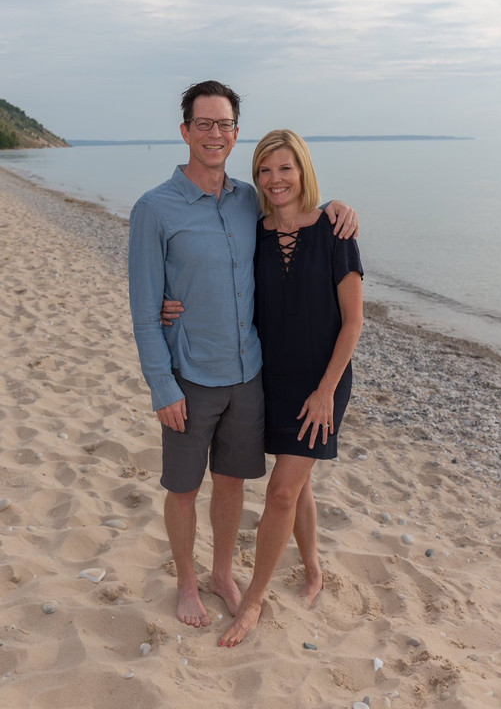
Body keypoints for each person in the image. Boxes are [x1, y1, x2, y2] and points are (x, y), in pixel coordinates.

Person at [128, 80, 359, 630]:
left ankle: (224, 574)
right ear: (185, 131)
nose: (214, 134)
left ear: (235, 133)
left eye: (224, 124)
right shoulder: (153, 209)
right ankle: (188, 582)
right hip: (191, 378)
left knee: (238, 484)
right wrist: (162, 385)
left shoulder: (247, 203)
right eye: (203, 124)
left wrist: (339, 207)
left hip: (251, 376)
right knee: (183, 489)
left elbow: (300, 211)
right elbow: (143, 309)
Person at [217, 129, 363, 647]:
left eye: (285, 168)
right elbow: (223, 288)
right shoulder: (251, 232)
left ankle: (253, 600)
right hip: (268, 379)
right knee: (297, 484)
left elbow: (353, 324)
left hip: (321, 382)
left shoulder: (335, 230)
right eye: (264, 170)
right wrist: (173, 307)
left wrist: (325, 392)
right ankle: (314, 567)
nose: (275, 179)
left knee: (280, 491)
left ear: (302, 170)